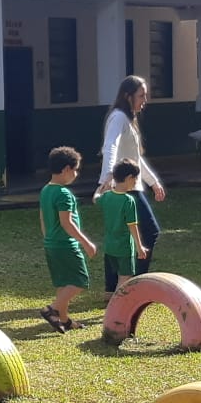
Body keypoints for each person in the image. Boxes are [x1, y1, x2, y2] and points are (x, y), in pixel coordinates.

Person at [97, 75, 165, 295]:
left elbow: (135, 158)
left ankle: (113, 286)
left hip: (132, 184)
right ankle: (136, 282)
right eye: (141, 95)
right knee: (150, 232)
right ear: (127, 96)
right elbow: (110, 147)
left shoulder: (128, 120)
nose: (144, 100)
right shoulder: (118, 117)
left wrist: (153, 182)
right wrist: (106, 177)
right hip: (126, 186)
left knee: (118, 235)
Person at [40, 146, 97, 333]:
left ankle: (64, 320)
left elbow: (43, 217)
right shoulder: (64, 194)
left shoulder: (46, 190)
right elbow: (67, 222)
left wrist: (47, 237)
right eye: (75, 169)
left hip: (51, 244)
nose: (76, 174)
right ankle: (52, 309)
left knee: (64, 283)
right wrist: (86, 242)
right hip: (66, 245)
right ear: (66, 169)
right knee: (80, 281)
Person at [96, 159, 149, 293]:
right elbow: (132, 226)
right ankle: (117, 306)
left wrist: (101, 187)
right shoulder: (128, 200)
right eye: (135, 179)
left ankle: (116, 301)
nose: (136, 182)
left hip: (110, 247)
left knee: (119, 275)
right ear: (129, 178)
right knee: (125, 277)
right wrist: (139, 247)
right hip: (124, 248)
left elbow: (95, 198)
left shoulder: (107, 196)